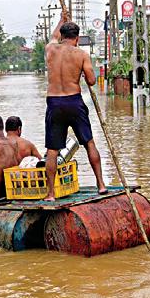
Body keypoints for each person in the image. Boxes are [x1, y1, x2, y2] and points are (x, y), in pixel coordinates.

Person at [44, 11, 106, 200]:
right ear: (77, 38)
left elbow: (54, 37)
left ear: (62, 36)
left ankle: (51, 193)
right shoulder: (81, 54)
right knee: (89, 143)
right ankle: (101, 184)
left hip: (54, 102)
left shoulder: (50, 49)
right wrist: (82, 72)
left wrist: (61, 20)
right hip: (74, 101)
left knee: (52, 150)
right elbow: (92, 81)